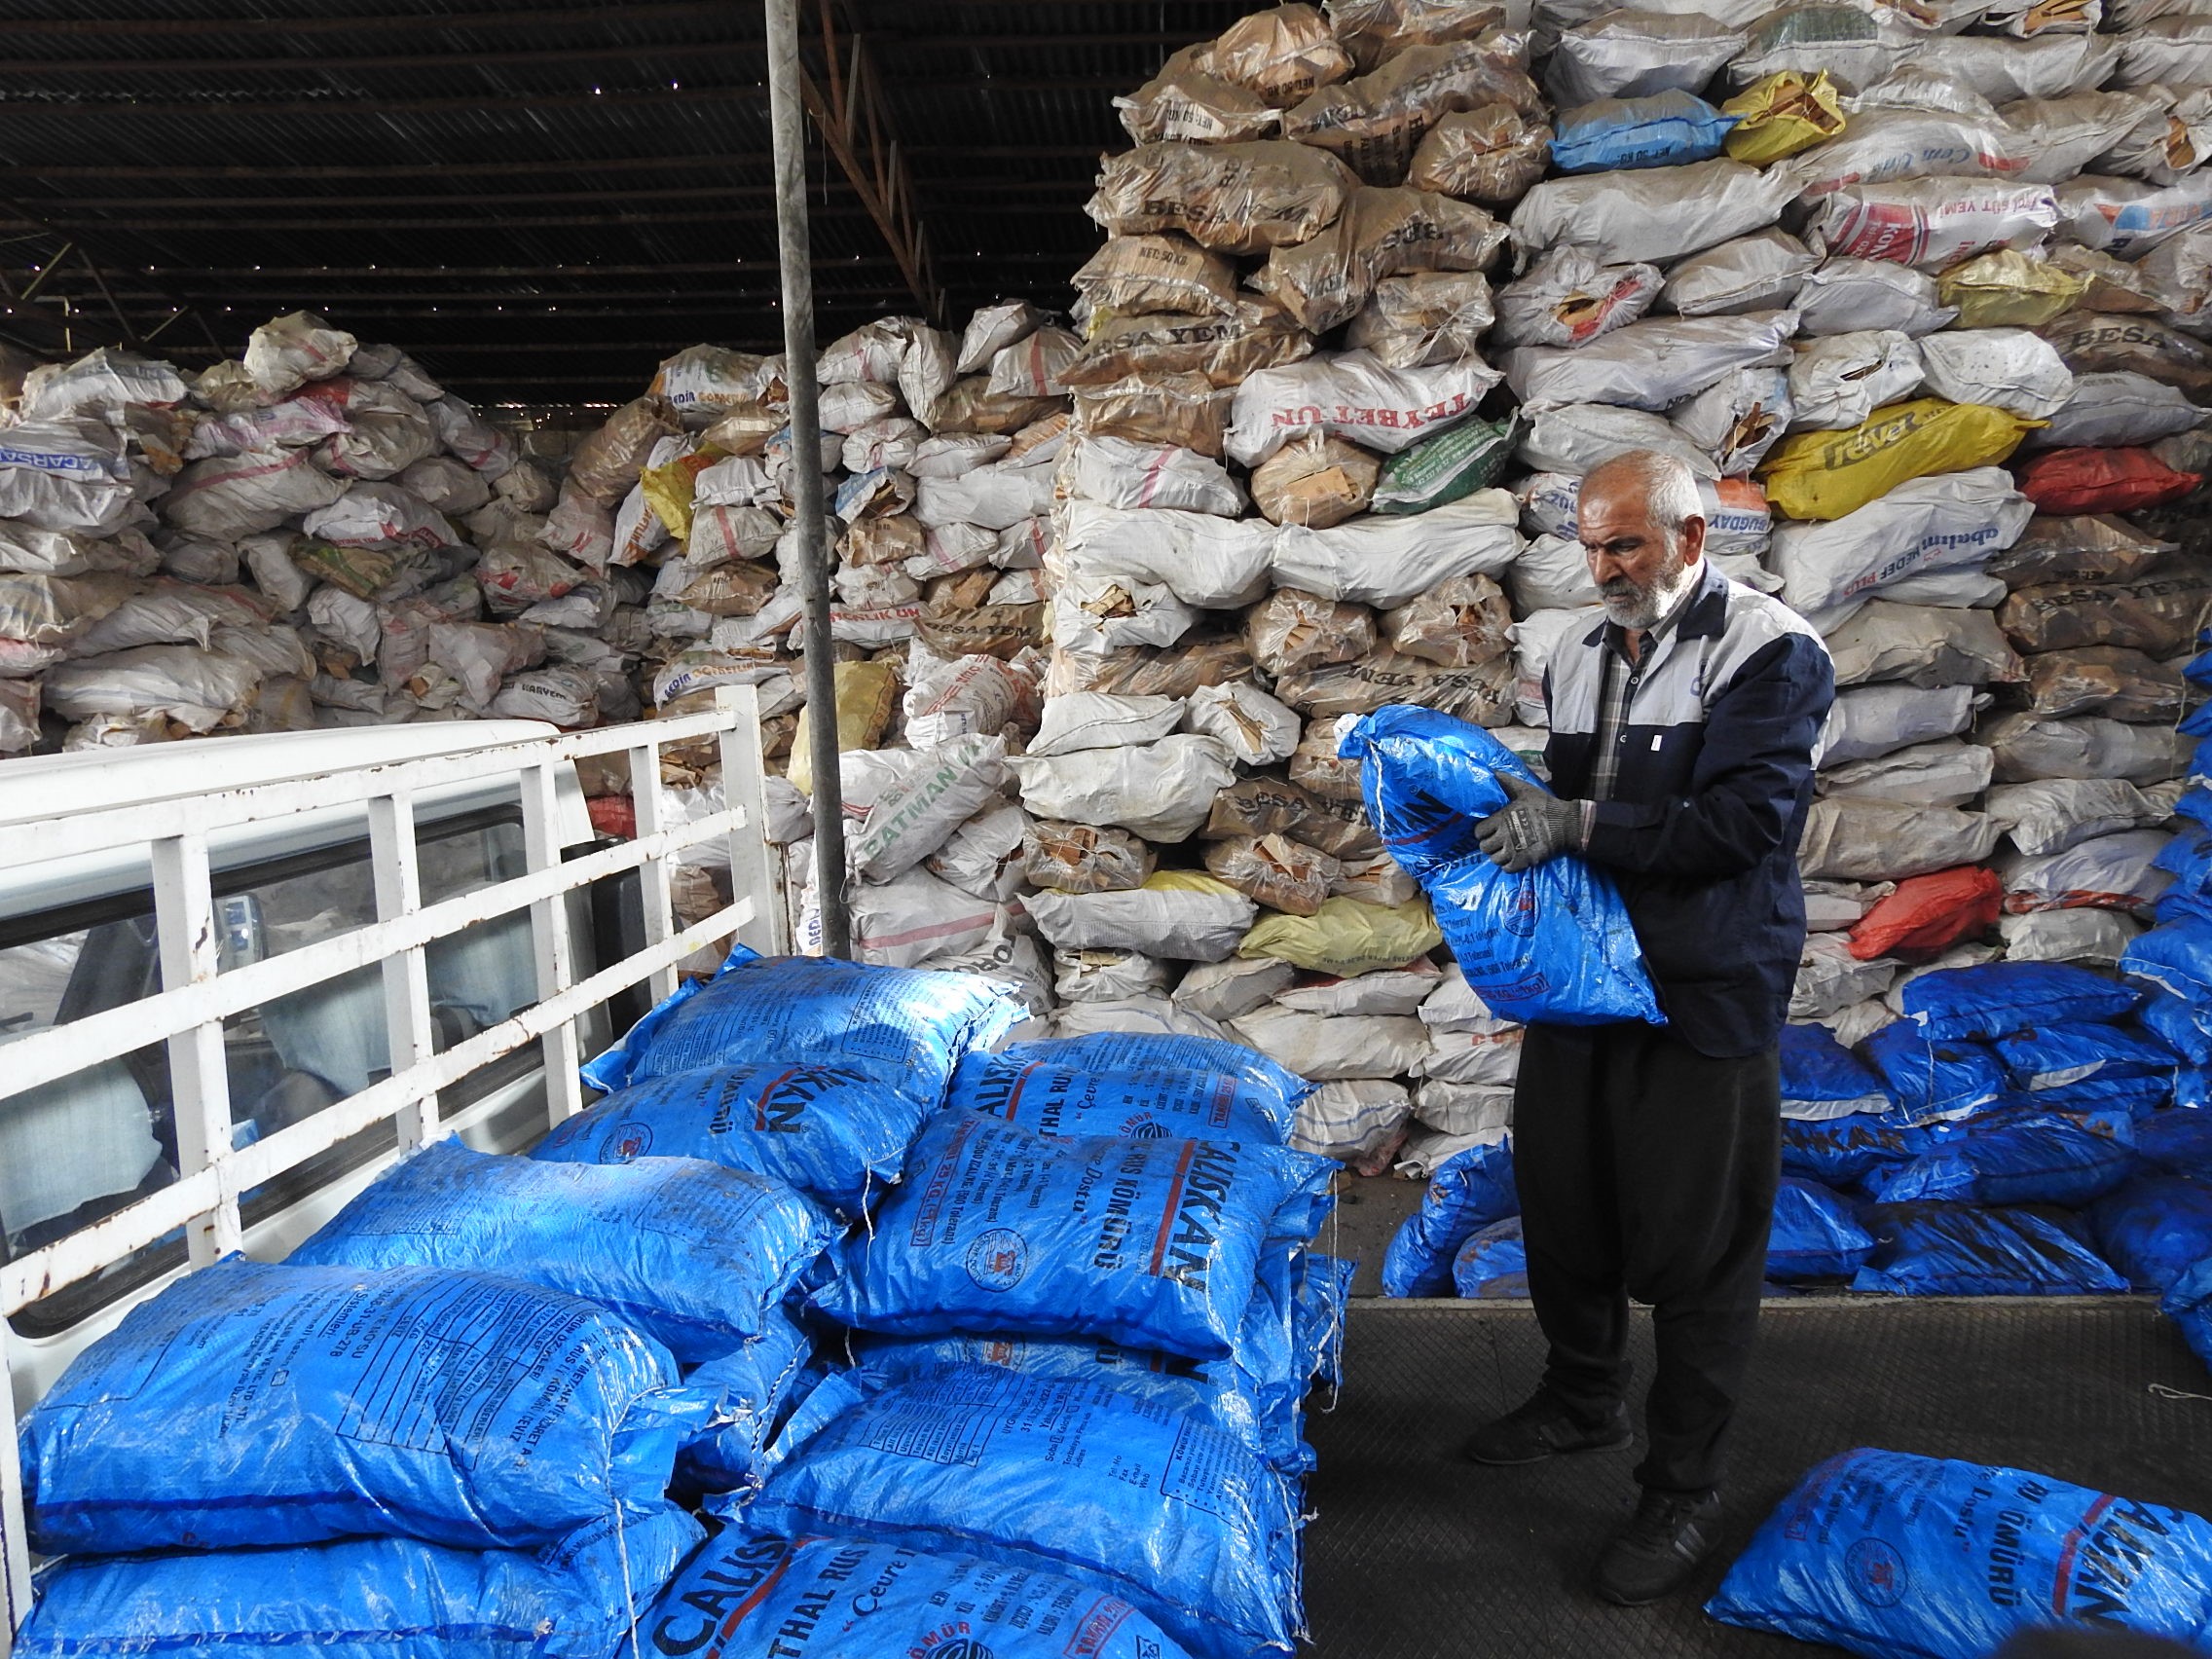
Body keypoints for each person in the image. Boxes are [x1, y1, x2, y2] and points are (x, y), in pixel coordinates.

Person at [1464, 449, 1835, 1606]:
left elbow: (1737, 828)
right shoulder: (1577, 654)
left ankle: (1680, 1486)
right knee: (1563, 1203)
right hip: (1587, 981)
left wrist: (1574, 824)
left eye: (1624, 544)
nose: (1602, 568)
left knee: (1698, 1244)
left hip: (1701, 987)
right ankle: (1581, 1399)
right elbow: (1582, 800)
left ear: (1690, 539)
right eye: (1588, 545)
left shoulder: (1771, 651)